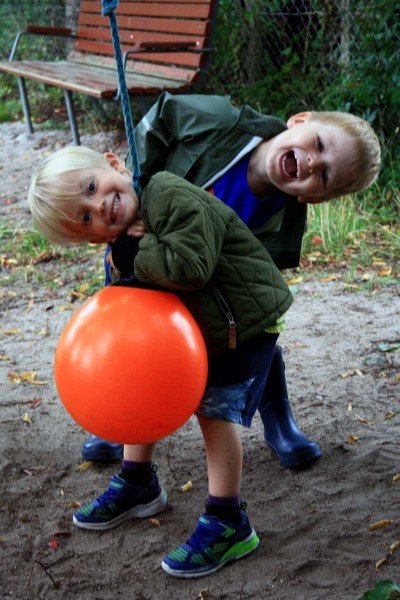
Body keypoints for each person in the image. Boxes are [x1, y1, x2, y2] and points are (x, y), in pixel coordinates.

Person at [28, 145, 295, 577]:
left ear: (113, 163)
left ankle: (229, 522)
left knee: (213, 412)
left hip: (241, 321)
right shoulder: (119, 245)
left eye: (92, 187)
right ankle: (137, 482)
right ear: (91, 237)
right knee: (140, 383)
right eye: (85, 216)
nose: (99, 205)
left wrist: (136, 254)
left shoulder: (169, 194)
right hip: (198, 328)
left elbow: (191, 267)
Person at [82, 93, 381, 468]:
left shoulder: (282, 228)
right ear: (300, 120)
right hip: (142, 243)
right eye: (319, 144)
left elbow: (248, 296)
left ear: (316, 198)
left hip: (198, 282)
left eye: (323, 174)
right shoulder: (221, 120)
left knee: (255, 323)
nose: (311, 162)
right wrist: (134, 189)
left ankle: (278, 420)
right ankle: (117, 416)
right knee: (128, 323)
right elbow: (163, 117)